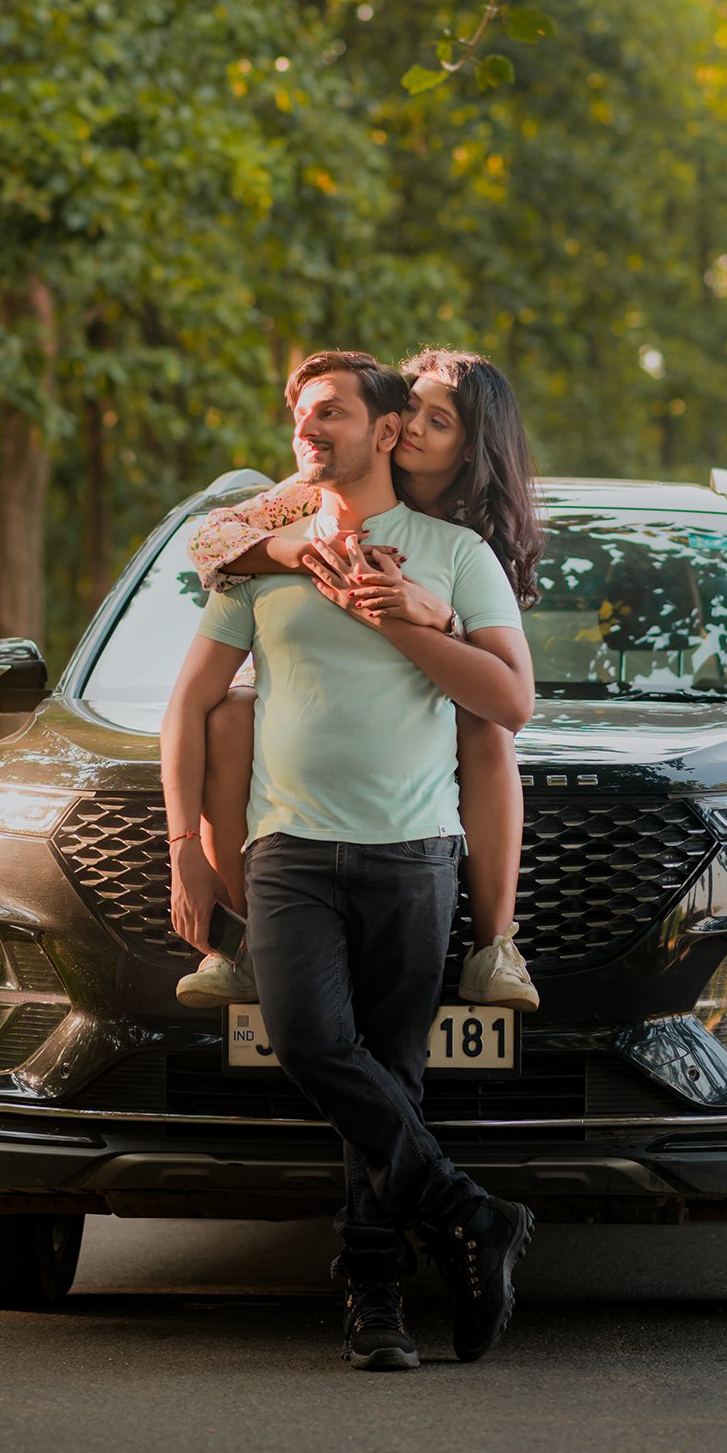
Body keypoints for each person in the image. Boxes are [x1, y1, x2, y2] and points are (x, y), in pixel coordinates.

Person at [161, 351, 536, 1369]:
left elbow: (507, 706)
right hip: (287, 849)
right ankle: (471, 1214)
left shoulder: (456, 553)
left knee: (392, 1079)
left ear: (386, 432)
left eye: (334, 412)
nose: (308, 427)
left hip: (415, 856)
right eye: (299, 412)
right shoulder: (263, 547)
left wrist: (421, 618)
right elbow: (189, 699)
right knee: (313, 1041)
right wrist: (186, 852)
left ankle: (378, 1306)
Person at [176, 347, 544, 1015]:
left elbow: (504, 689)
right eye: (409, 409)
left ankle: (493, 946)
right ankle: (235, 945)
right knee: (228, 713)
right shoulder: (321, 489)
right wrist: (293, 551)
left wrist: (442, 617)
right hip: (298, 725)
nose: (410, 428)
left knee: (482, 721)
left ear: (471, 449)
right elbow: (209, 541)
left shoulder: (468, 541)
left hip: (422, 760)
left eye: (439, 423)